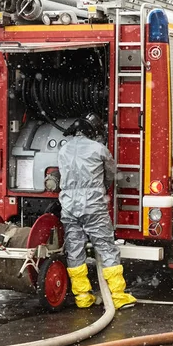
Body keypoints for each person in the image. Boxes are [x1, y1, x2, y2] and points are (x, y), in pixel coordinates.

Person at [58, 113, 136, 309]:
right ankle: (118, 296)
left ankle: (82, 297)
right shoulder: (99, 149)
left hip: (68, 206)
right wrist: (103, 188)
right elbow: (111, 174)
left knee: (74, 250)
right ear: (91, 132)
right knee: (106, 247)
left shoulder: (63, 149)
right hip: (92, 205)